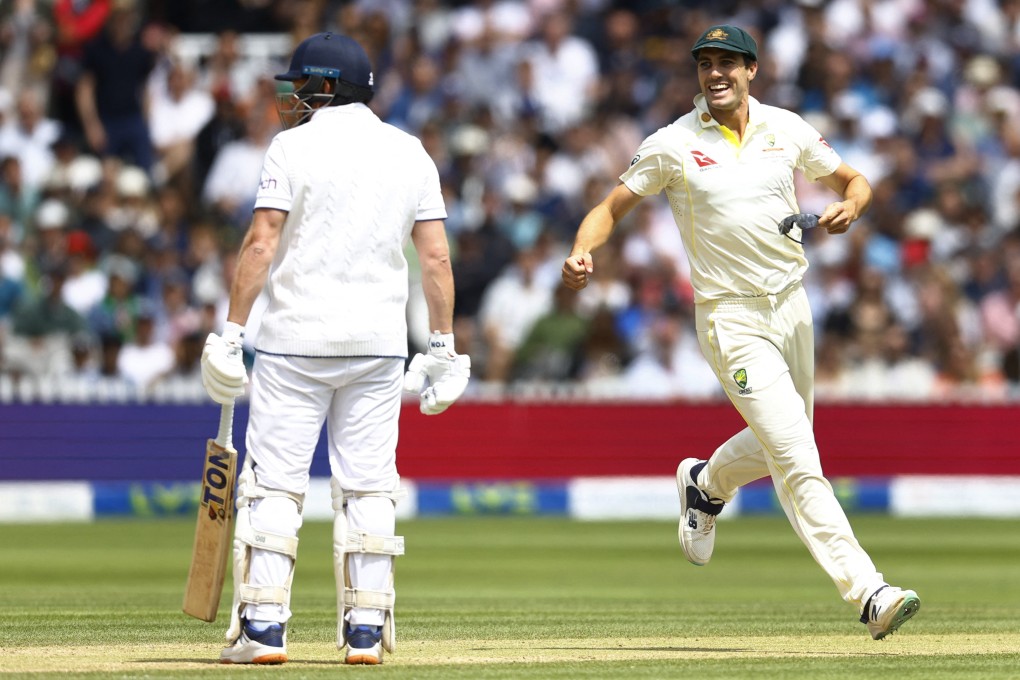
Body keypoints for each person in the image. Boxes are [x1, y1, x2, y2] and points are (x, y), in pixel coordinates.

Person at [561, 25, 920, 640]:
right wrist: (581, 251)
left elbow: (855, 180)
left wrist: (852, 207)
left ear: (752, 69)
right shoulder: (673, 143)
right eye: (706, 64)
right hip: (731, 317)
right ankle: (869, 592)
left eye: (729, 62)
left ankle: (705, 485)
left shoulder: (787, 128)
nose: (716, 74)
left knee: (785, 439)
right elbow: (610, 206)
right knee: (797, 457)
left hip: (792, 307)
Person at [199, 32, 469, 666]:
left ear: (323, 87)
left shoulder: (290, 147)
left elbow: (261, 243)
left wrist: (231, 333)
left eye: (296, 87)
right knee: (370, 486)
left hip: (295, 342)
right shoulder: (411, 151)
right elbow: (434, 257)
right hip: (378, 346)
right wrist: (443, 347)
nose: (288, 99)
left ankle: (264, 628)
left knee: (275, 488)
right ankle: (365, 632)